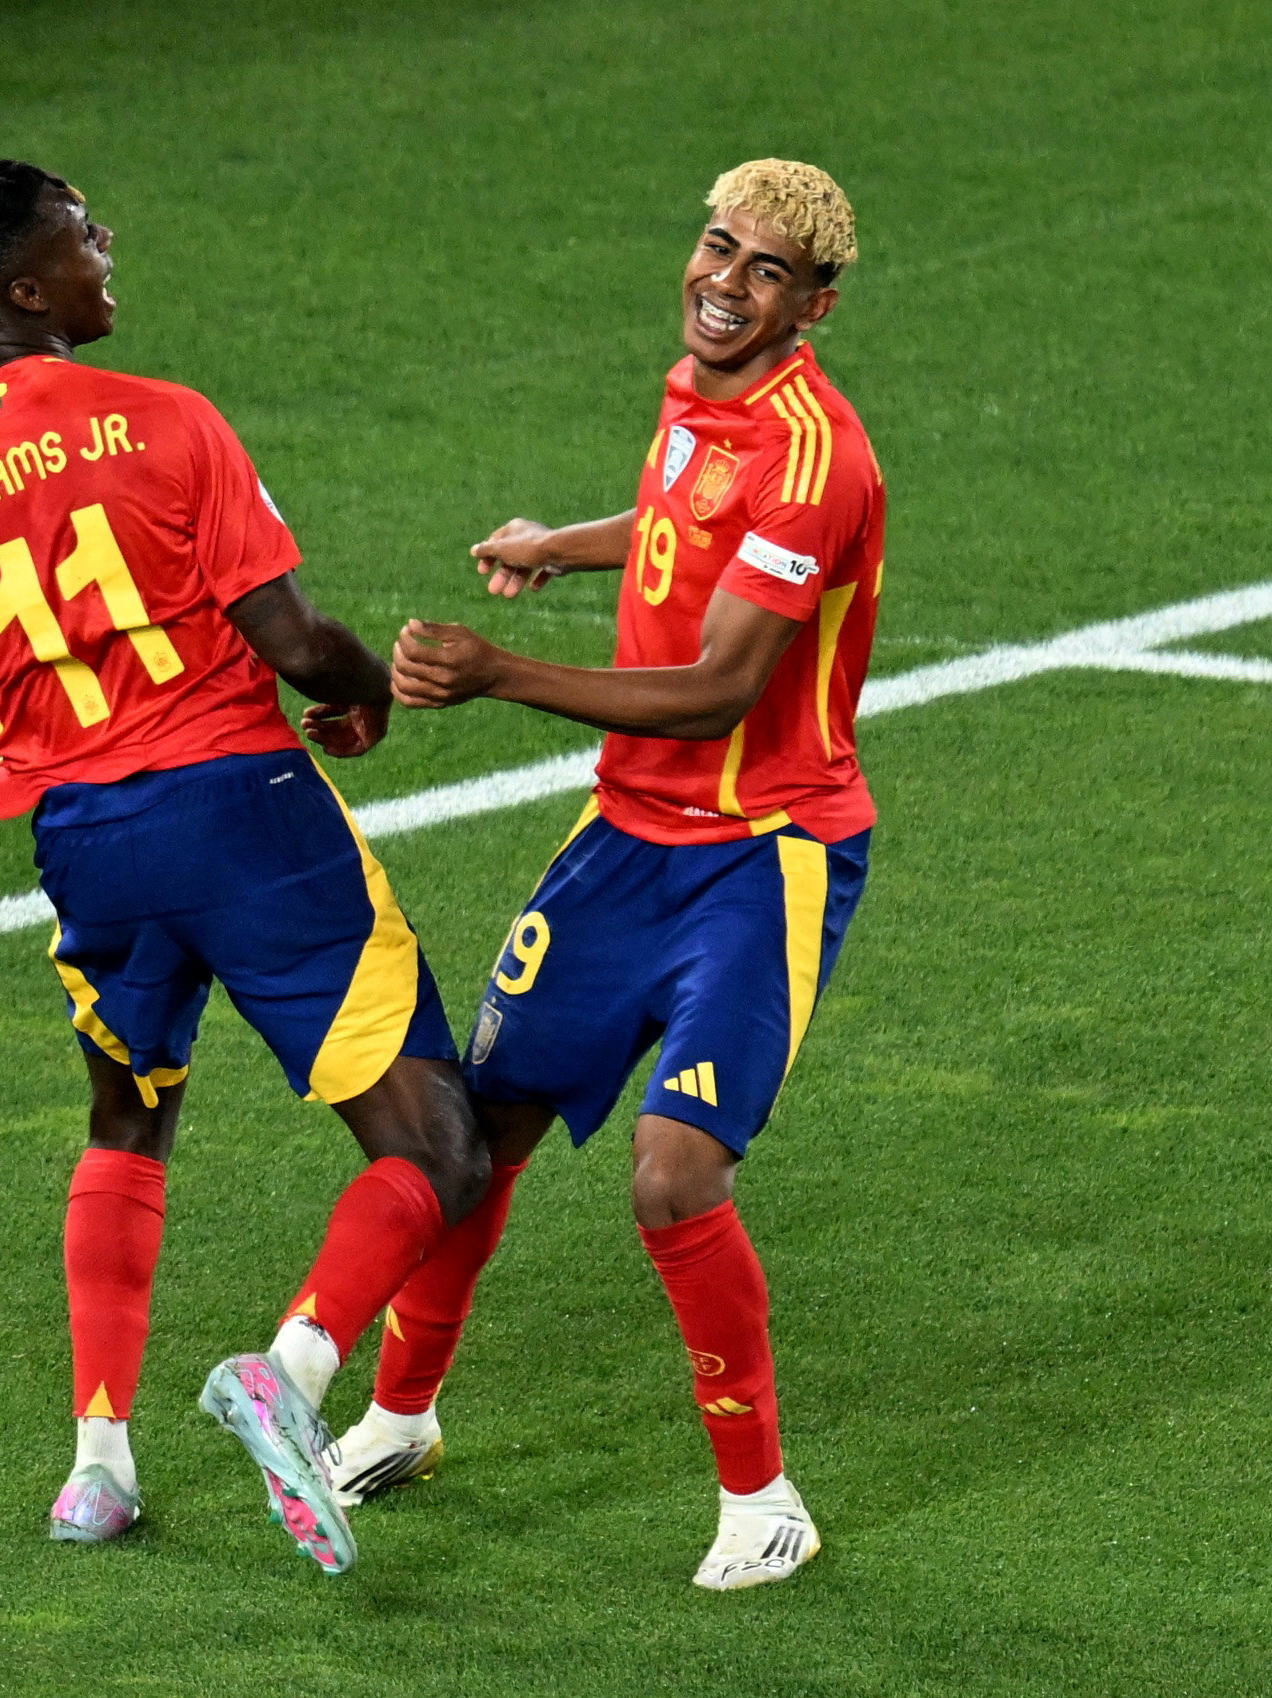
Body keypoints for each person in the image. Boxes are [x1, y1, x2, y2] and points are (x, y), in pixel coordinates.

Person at [0, 139, 488, 1576]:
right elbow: (291, 641)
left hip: (89, 850)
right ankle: (289, 1376)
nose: (107, 242)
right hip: (242, 811)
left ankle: (97, 1465)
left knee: (129, 1117)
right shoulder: (161, 421)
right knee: (439, 1144)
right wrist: (358, 691)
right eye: (82, 229)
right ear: (20, 282)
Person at [338, 160, 884, 1590]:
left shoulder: (818, 457)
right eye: (719, 246)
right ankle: (400, 1417)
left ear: (814, 305)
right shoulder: (698, 389)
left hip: (764, 855)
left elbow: (716, 689)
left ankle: (763, 1499)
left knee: (669, 1170)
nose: (727, 281)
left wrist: (500, 669)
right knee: (478, 1128)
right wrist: (558, 549)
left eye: (767, 271)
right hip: (626, 836)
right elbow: (677, 526)